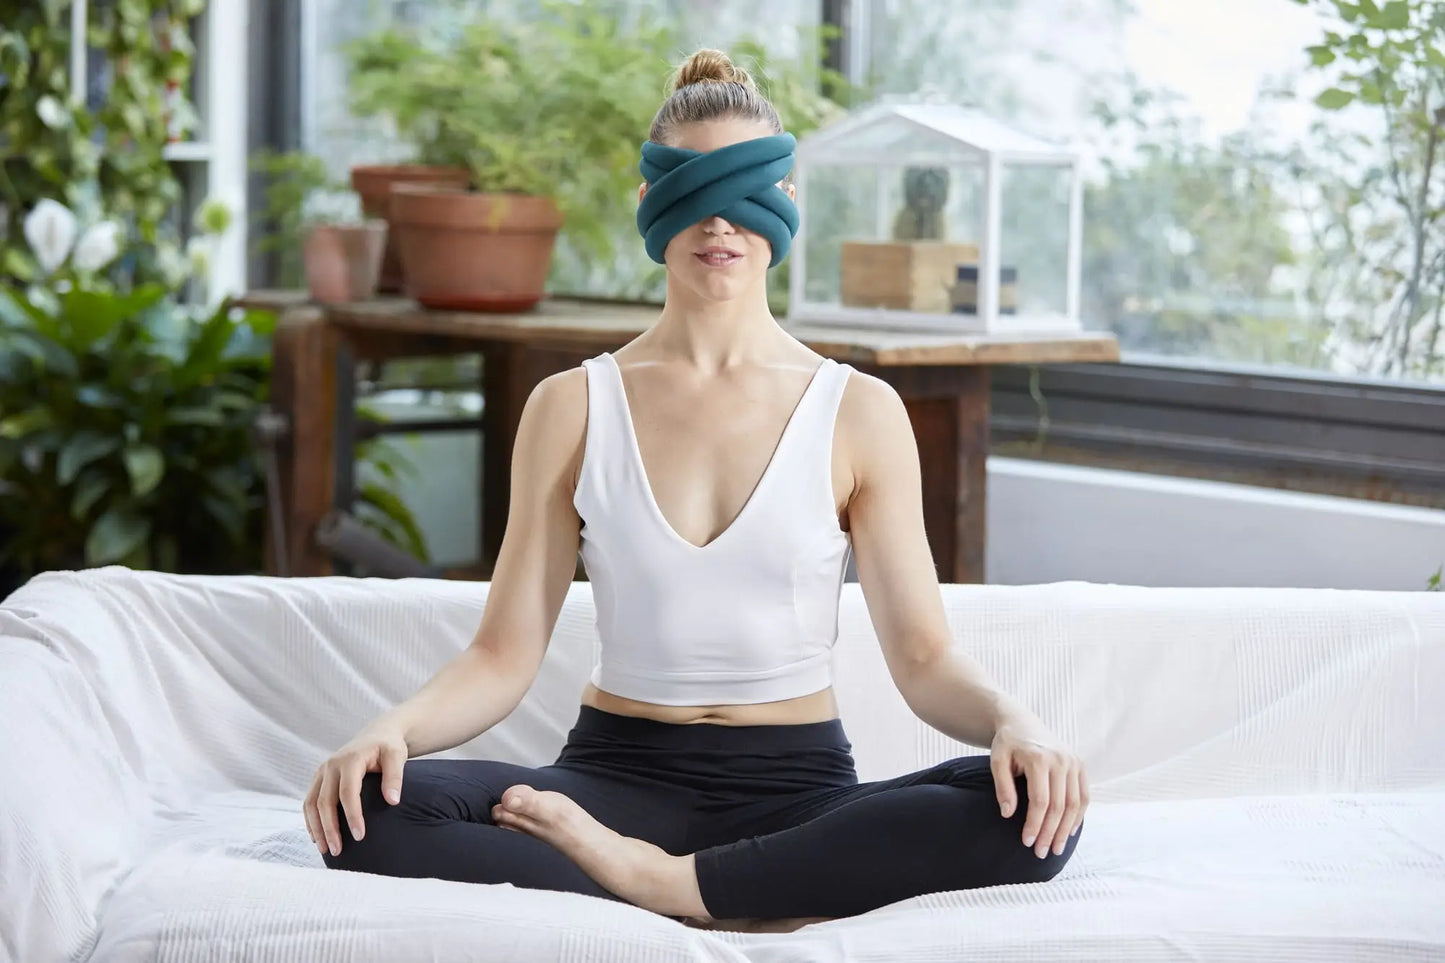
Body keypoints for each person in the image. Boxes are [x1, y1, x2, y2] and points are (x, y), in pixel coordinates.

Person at [305, 47, 1087, 928]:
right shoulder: (571, 406)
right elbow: (501, 654)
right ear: (650, 205)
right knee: (366, 815)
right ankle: (731, 883)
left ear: (785, 205)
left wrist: (1014, 720)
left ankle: (664, 885)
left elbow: (922, 658)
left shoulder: (858, 411)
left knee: (1035, 813)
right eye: (693, 192)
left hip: (799, 788)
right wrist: (392, 732)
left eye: (746, 192)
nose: (720, 224)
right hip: (610, 778)